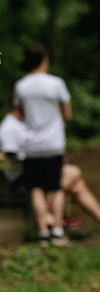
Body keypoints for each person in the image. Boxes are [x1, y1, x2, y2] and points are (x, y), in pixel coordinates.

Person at [0, 105, 100, 233]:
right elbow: (10, 154)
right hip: (21, 176)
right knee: (70, 175)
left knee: (76, 184)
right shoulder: (9, 127)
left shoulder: (22, 124)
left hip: (31, 170)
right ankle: (54, 220)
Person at [12, 45, 72, 247]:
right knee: (55, 187)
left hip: (31, 144)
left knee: (36, 188)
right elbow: (67, 114)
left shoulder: (21, 86)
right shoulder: (56, 83)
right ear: (44, 60)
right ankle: (57, 229)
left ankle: (43, 232)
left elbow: (19, 113)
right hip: (53, 143)